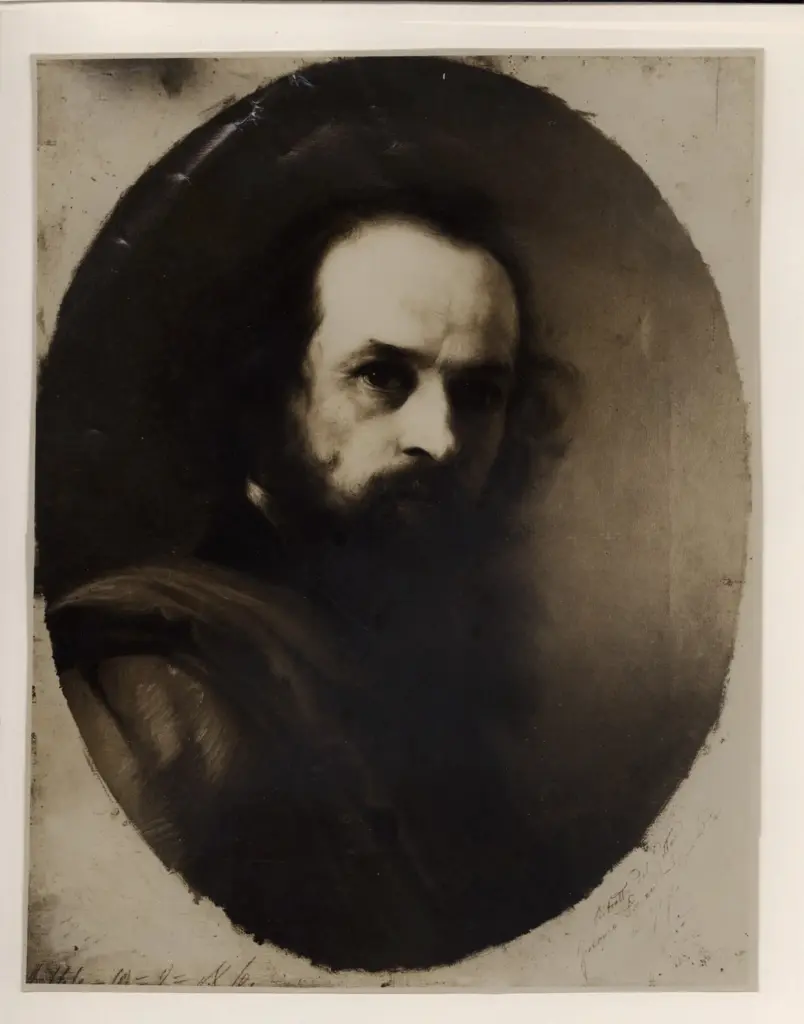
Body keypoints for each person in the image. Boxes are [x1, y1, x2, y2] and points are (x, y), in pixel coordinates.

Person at [43, 179, 577, 972]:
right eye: (381, 376)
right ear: (265, 396)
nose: (442, 438)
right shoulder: (144, 683)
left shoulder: (435, 670)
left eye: (479, 394)